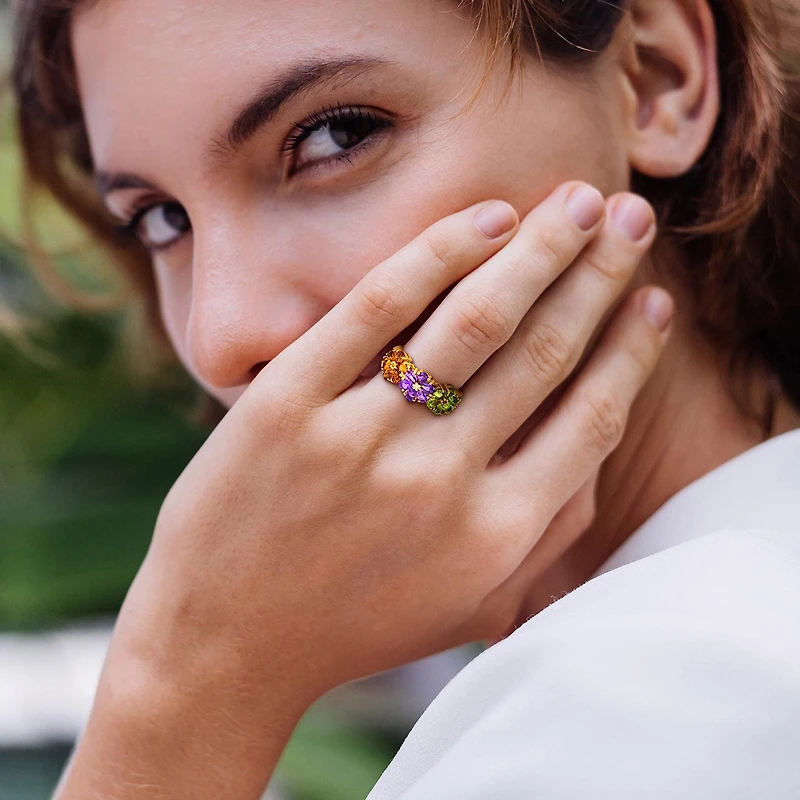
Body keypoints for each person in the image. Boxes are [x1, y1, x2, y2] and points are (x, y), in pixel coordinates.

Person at [8, 0, 800, 796]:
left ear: (655, 77)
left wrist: (183, 687)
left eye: (336, 135)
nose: (223, 335)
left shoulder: (660, 695)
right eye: (161, 219)